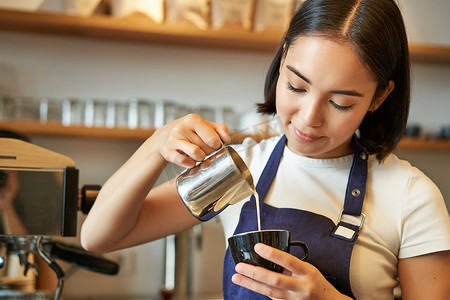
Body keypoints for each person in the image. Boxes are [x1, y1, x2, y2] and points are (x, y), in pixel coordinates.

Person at [80, 0, 450, 299]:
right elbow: (99, 237)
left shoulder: (409, 196)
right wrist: (156, 147)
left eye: (339, 103)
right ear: (283, 57)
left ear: (379, 97)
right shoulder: (241, 169)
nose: (309, 118)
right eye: (296, 87)